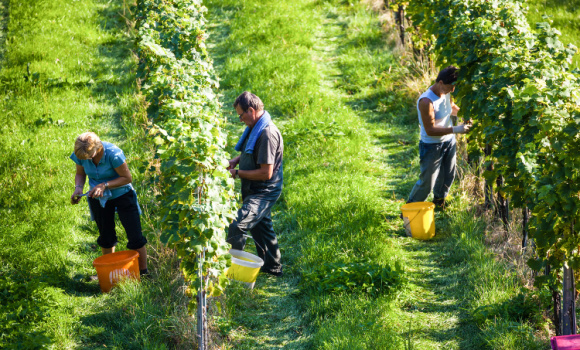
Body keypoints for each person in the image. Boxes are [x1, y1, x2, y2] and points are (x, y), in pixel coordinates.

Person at [70, 132, 148, 276]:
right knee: (106, 236)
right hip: (98, 197)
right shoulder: (81, 153)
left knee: (135, 235)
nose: (87, 160)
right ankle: (110, 270)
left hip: (122, 194)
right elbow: (80, 173)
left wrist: (105, 185)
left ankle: (143, 272)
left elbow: (127, 178)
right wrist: (78, 188)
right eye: (84, 159)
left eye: (89, 156)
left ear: (98, 147)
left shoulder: (114, 154)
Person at [226, 92, 284, 277]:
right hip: (255, 188)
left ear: (251, 110)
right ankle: (272, 267)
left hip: (263, 191)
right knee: (261, 226)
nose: (240, 119)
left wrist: (236, 173)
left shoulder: (267, 134)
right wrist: (237, 160)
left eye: (241, 115)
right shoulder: (256, 126)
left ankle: (233, 271)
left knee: (237, 224)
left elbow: (265, 173)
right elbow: (253, 152)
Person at [406, 66, 472, 208]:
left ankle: (439, 202)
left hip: (448, 142)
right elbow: (430, 130)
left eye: (454, 86)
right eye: (451, 86)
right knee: (427, 183)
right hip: (431, 145)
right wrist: (456, 129)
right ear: (441, 82)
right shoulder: (426, 101)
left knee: (448, 176)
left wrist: (464, 114)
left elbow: (451, 107)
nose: (453, 90)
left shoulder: (446, 93)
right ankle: (410, 208)